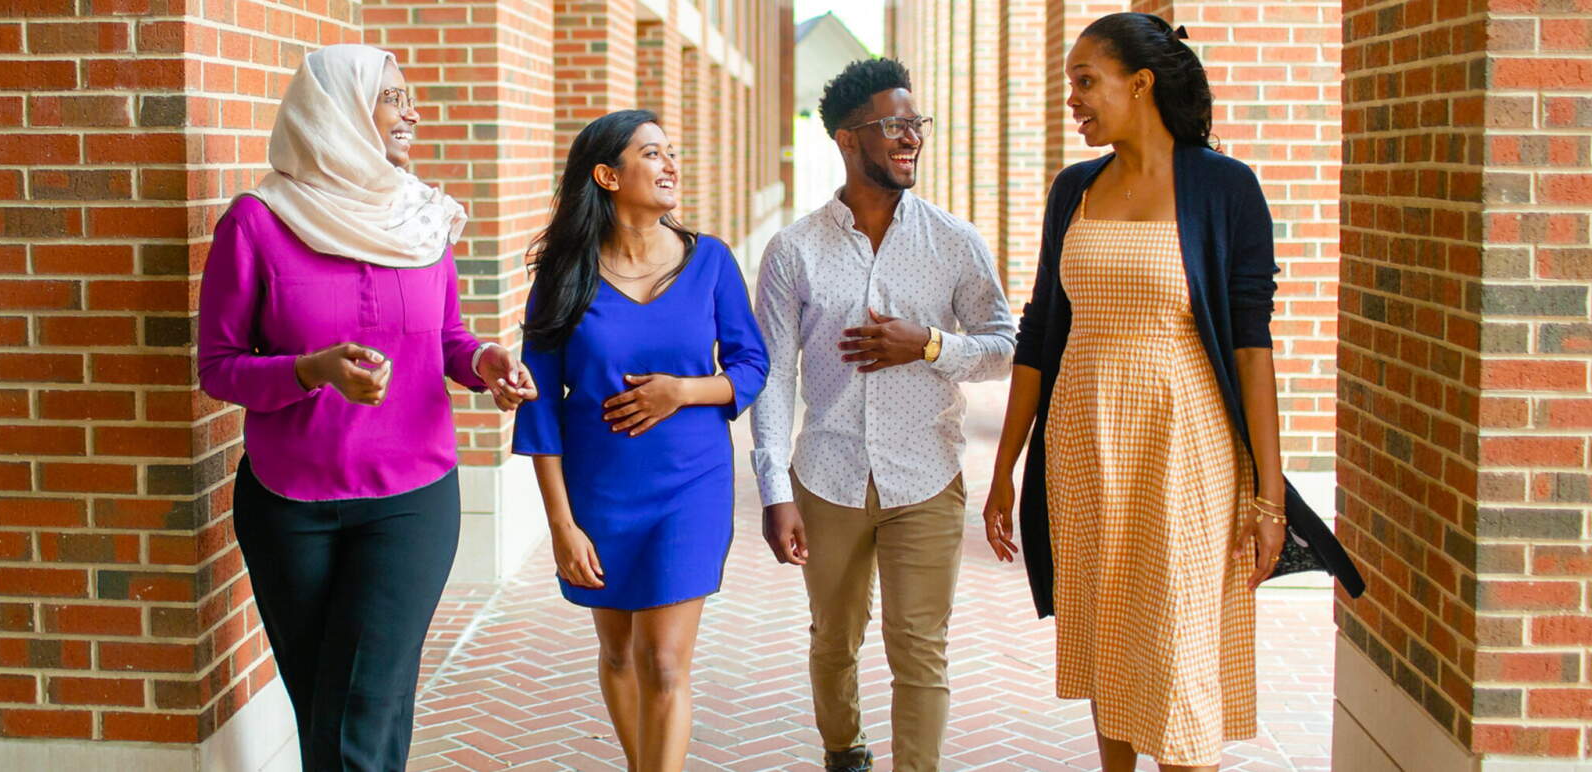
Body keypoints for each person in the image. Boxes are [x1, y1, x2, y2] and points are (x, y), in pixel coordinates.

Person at [980, 13, 1357, 771]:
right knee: (1109, 637)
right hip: (1085, 447)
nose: (1073, 101)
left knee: (1180, 653)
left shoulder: (1226, 189)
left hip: (1185, 450)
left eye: (1086, 82)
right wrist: (1005, 467)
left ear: (1141, 84)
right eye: (1069, 86)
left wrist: (1270, 500)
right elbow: (1042, 329)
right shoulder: (1073, 190)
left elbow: (1253, 351)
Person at [194, 44, 536, 770]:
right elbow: (219, 369)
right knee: (331, 704)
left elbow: (447, 337)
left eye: (407, 96)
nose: (411, 111)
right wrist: (308, 372)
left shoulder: (422, 218)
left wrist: (484, 362)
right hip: (288, 505)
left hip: (410, 500)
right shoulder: (256, 224)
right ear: (337, 113)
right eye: (391, 97)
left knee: (361, 706)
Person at [752, 59, 1017, 772]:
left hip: (925, 476)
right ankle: (845, 752)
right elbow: (775, 378)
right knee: (834, 639)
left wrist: (928, 343)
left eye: (915, 124)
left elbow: (1004, 347)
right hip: (828, 476)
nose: (910, 138)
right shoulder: (794, 251)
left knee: (920, 646)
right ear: (847, 138)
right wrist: (775, 488)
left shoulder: (953, 242)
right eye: (893, 125)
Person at [511, 109, 769, 772]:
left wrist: (682, 391)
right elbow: (539, 412)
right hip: (600, 492)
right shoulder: (565, 276)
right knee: (621, 651)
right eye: (652, 153)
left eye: (671, 153)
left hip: (692, 483)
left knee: (663, 658)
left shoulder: (708, 260)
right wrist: (562, 526)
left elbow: (751, 364)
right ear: (607, 175)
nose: (670, 165)